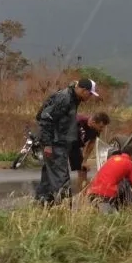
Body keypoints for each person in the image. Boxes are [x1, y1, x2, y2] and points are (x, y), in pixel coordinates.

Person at [34, 78, 99, 206]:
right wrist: (47, 144)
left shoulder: (74, 99)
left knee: (48, 178)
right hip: (55, 144)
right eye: (90, 94)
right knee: (61, 180)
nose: (90, 97)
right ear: (83, 90)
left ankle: (42, 205)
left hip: (60, 145)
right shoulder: (65, 98)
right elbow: (46, 119)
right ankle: (64, 211)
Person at [86, 145, 132, 213]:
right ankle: (130, 209)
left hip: (92, 195)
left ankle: (111, 208)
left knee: (108, 217)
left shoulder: (111, 159)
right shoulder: (131, 164)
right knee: (127, 182)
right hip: (106, 197)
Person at [69, 112, 111, 192]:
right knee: (61, 171)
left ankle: (82, 193)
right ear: (93, 122)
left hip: (76, 147)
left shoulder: (96, 130)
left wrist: (84, 161)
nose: (101, 130)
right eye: (101, 127)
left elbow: (91, 144)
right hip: (64, 144)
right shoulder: (79, 121)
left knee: (83, 169)